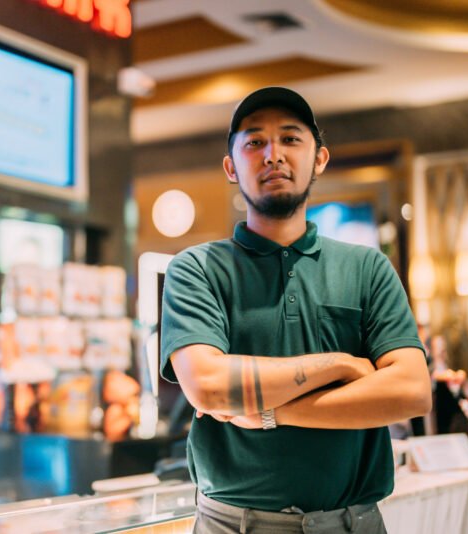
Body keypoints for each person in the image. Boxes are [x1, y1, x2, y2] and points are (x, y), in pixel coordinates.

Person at [160, 86, 431, 533]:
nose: (273, 155)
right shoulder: (197, 268)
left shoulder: (366, 267)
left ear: (319, 158)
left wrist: (269, 413)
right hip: (232, 525)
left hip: (353, 524)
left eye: (290, 139)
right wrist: (341, 364)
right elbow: (208, 387)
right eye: (254, 142)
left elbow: (410, 391)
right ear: (231, 167)